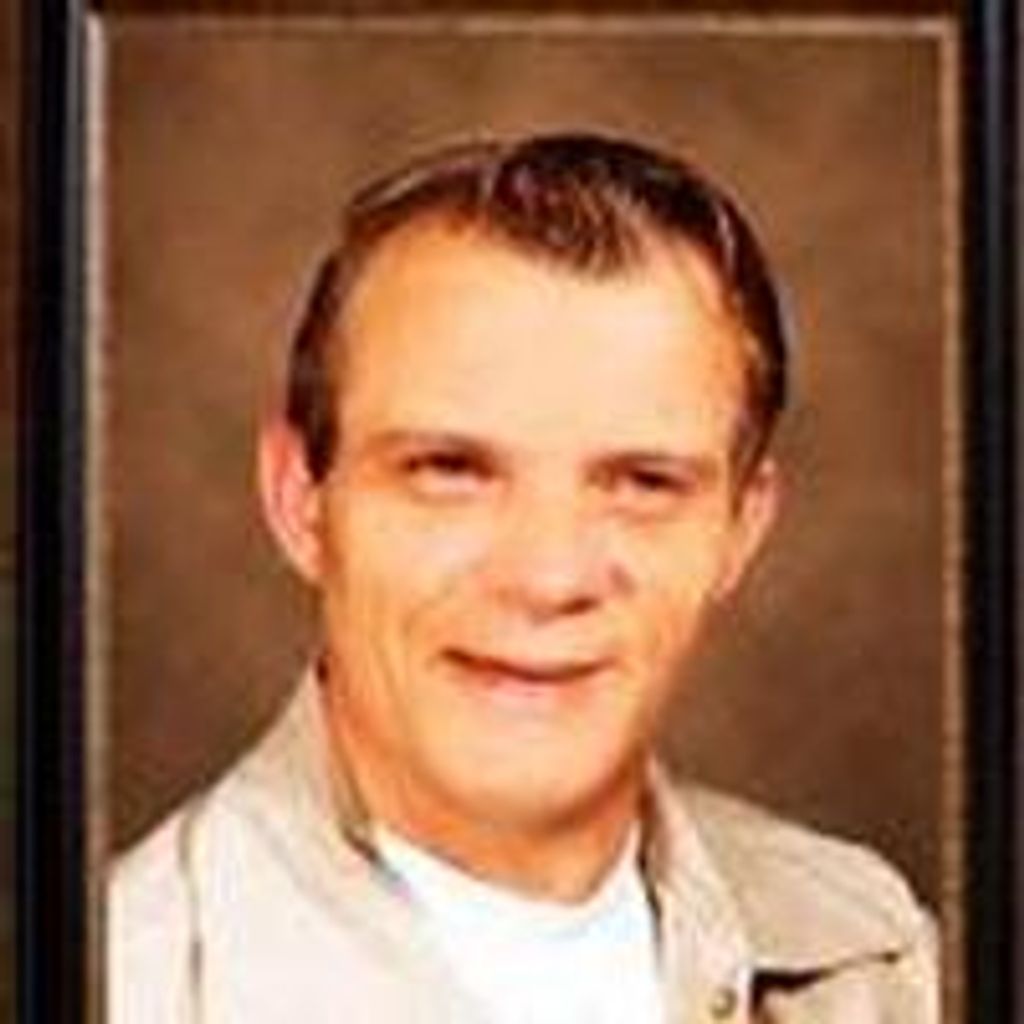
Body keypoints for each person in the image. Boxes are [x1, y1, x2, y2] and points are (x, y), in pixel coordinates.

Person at [109, 132, 937, 1023]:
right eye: (450, 470)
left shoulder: (882, 965)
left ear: (740, 528)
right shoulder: (121, 986)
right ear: (299, 498)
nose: (548, 577)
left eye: (644, 484)